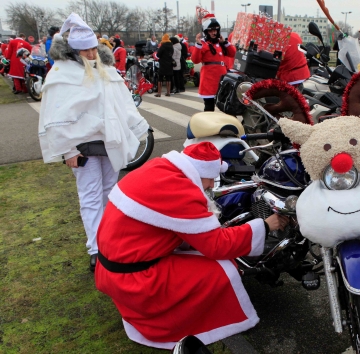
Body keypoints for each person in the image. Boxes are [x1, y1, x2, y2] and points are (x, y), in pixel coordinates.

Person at [94, 141, 288, 349]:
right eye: (210, 179)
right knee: (225, 270)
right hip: (137, 280)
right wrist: (265, 226)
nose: (212, 186)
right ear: (201, 171)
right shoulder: (182, 191)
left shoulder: (160, 168)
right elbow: (218, 245)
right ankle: (183, 321)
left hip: (111, 268)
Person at [38, 13, 149, 272]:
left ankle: (111, 242)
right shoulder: (61, 74)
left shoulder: (105, 69)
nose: (90, 53)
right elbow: (56, 112)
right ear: (74, 50)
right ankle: (95, 249)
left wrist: (134, 127)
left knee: (110, 192)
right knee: (89, 196)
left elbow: (121, 101)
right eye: (85, 49)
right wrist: (68, 150)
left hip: (109, 139)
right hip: (83, 145)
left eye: (92, 48)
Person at [192, 13, 236, 111]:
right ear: (206, 32)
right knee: (209, 107)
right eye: (211, 30)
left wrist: (225, 42)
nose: (213, 33)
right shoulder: (203, 43)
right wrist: (198, 45)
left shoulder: (220, 43)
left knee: (226, 106)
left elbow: (232, 53)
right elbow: (195, 60)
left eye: (215, 30)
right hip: (209, 80)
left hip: (222, 79)